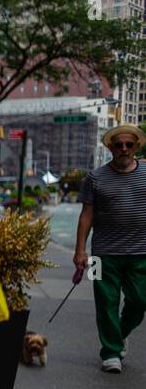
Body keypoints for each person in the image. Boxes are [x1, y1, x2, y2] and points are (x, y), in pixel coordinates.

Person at [75, 124, 146, 372]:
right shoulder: (95, 177)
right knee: (105, 303)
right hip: (102, 253)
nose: (124, 149)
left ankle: (119, 334)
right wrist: (80, 251)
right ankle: (111, 353)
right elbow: (86, 216)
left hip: (141, 252)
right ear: (110, 147)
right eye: (118, 144)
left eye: (129, 144)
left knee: (140, 301)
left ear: (137, 146)